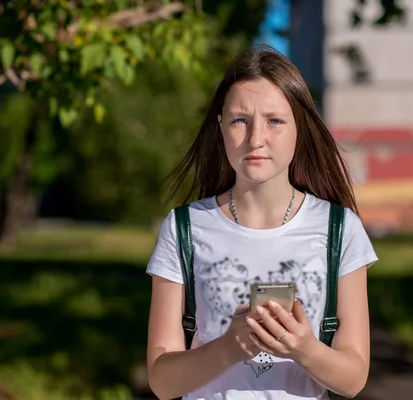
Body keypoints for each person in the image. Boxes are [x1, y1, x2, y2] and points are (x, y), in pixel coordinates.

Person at [145, 45, 378, 400]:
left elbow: (353, 378)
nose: (256, 138)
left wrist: (304, 348)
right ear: (220, 126)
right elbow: (161, 382)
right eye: (240, 120)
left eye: (274, 121)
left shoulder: (340, 230)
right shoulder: (183, 229)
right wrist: (229, 347)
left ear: (300, 127)